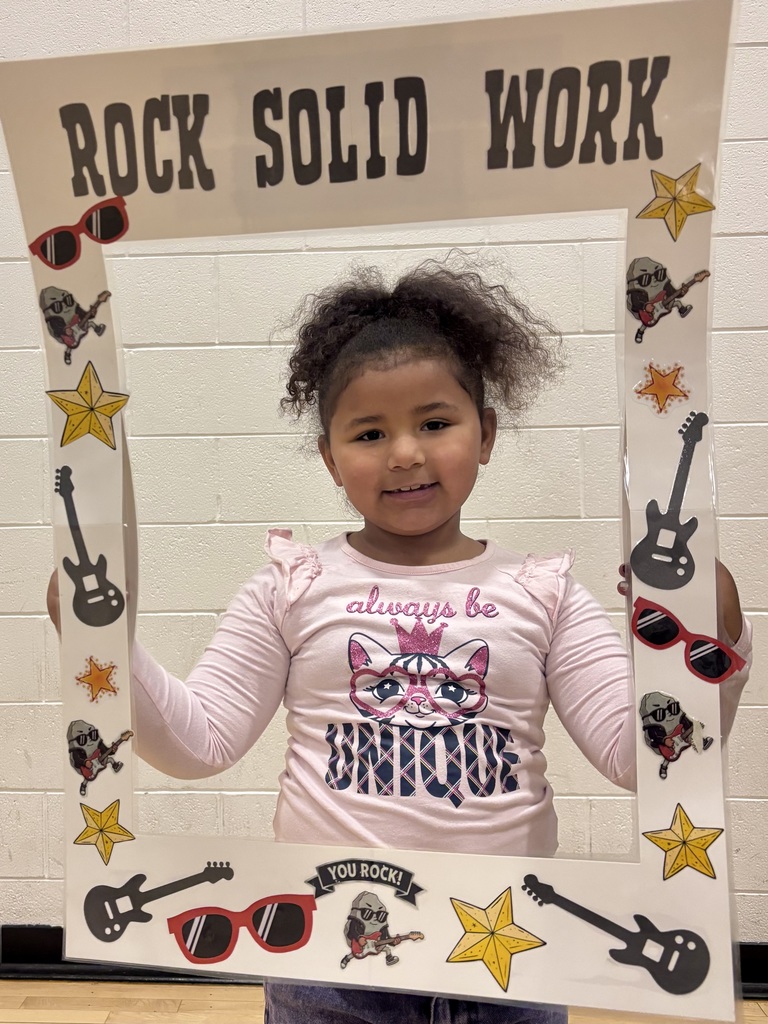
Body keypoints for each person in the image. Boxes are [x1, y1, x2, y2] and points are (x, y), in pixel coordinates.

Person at [48, 258, 750, 1024]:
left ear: (485, 436)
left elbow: (638, 759)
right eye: (370, 432)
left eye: (436, 423)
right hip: (329, 965)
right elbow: (198, 742)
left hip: (508, 955)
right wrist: (104, 648)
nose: (405, 452)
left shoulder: (542, 593)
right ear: (330, 458)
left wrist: (704, 644)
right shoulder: (294, 584)